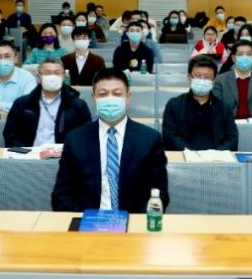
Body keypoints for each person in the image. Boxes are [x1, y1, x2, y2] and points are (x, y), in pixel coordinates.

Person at [51, 67, 169, 213]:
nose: (110, 99)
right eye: (103, 94)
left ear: (128, 98)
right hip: (87, 220)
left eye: (117, 94)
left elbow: (159, 194)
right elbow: (61, 194)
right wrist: (84, 220)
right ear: (94, 98)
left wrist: (134, 221)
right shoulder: (75, 140)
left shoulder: (150, 139)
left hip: (133, 220)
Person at [3, 58, 91, 148]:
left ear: (63, 76)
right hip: (29, 153)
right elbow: (10, 135)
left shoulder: (78, 106)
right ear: (38, 76)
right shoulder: (22, 104)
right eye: (47, 73)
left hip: (64, 154)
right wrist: (25, 151)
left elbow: (85, 136)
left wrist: (67, 151)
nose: (52, 76)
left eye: (57, 73)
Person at [162, 55, 238, 151]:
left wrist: (217, 154)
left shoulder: (224, 108)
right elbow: (169, 136)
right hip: (182, 156)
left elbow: (232, 139)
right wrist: (189, 152)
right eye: (198, 76)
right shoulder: (174, 105)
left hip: (216, 158)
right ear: (189, 77)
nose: (202, 80)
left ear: (214, 80)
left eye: (207, 77)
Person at [212, 40, 252, 122]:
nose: (245, 57)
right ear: (233, 58)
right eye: (240, 54)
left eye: (249, 54)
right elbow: (216, 109)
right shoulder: (221, 80)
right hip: (229, 125)